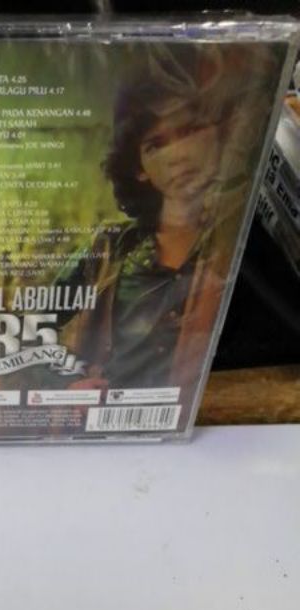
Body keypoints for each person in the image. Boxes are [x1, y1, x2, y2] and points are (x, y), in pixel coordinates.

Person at [56, 44, 276, 393]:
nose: (177, 156)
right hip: (109, 417)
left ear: (221, 134)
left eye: (190, 130)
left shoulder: (243, 243)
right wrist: (67, 384)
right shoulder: (110, 247)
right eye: (155, 144)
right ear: (138, 168)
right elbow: (31, 326)